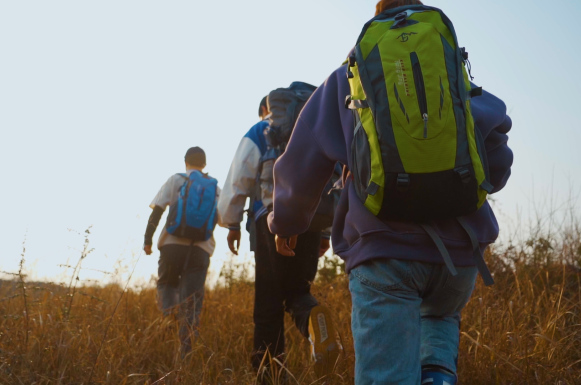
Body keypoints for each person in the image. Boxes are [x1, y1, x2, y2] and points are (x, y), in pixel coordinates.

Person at [267, 1, 514, 384]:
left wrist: (286, 223)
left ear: (378, 14)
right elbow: (497, 155)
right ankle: (437, 374)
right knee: (439, 315)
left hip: (384, 252)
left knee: (387, 376)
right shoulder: (450, 70)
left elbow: (303, 159)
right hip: (460, 254)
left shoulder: (349, 77)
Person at [217, 97, 337, 380]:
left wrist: (231, 223)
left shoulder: (260, 131)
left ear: (265, 111)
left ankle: (271, 376)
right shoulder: (313, 130)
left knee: (269, 305)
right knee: (298, 292)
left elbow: (239, 179)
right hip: (310, 219)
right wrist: (325, 232)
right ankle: (313, 322)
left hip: (270, 222)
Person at [144, 146, 219, 358]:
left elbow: (158, 210)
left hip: (171, 245)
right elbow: (223, 219)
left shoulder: (175, 180)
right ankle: (185, 354)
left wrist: (147, 240)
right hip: (200, 249)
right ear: (204, 164)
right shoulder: (214, 187)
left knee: (167, 284)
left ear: (185, 161)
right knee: (192, 301)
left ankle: (168, 319)